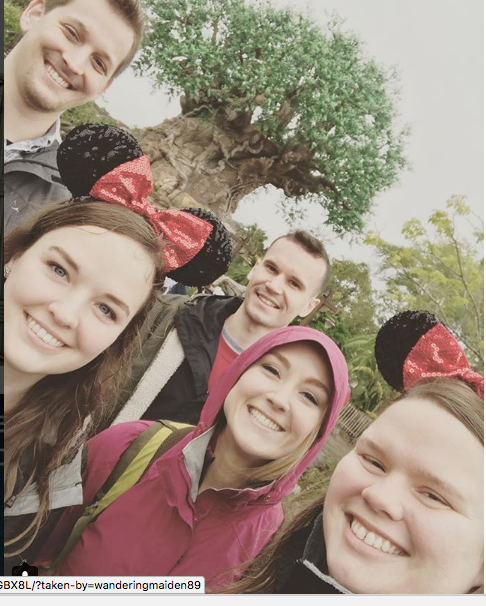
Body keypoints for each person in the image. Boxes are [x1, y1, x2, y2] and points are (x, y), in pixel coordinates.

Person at [3, 124, 230, 571]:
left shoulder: (52, 472)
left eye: (106, 309)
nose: (65, 314)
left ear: (120, 337)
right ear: (16, 255)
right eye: (59, 270)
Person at [35, 326, 350, 587]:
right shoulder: (130, 446)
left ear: (318, 432)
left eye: (309, 396)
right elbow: (31, 555)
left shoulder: (273, 548)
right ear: (239, 372)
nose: (279, 399)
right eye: (271, 369)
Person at [227, 311, 484, 594]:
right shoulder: (255, 574)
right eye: (374, 462)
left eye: (434, 496)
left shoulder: (258, 532)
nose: (379, 496)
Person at [110, 228, 331, 427]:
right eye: (271, 268)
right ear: (255, 269)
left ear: (309, 306)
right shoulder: (167, 315)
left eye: (294, 284)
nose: (274, 286)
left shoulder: (281, 390)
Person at [4, 0, 144, 233]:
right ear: (34, 14)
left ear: (103, 88)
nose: (75, 64)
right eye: (71, 33)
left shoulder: (61, 213)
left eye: (98, 63)